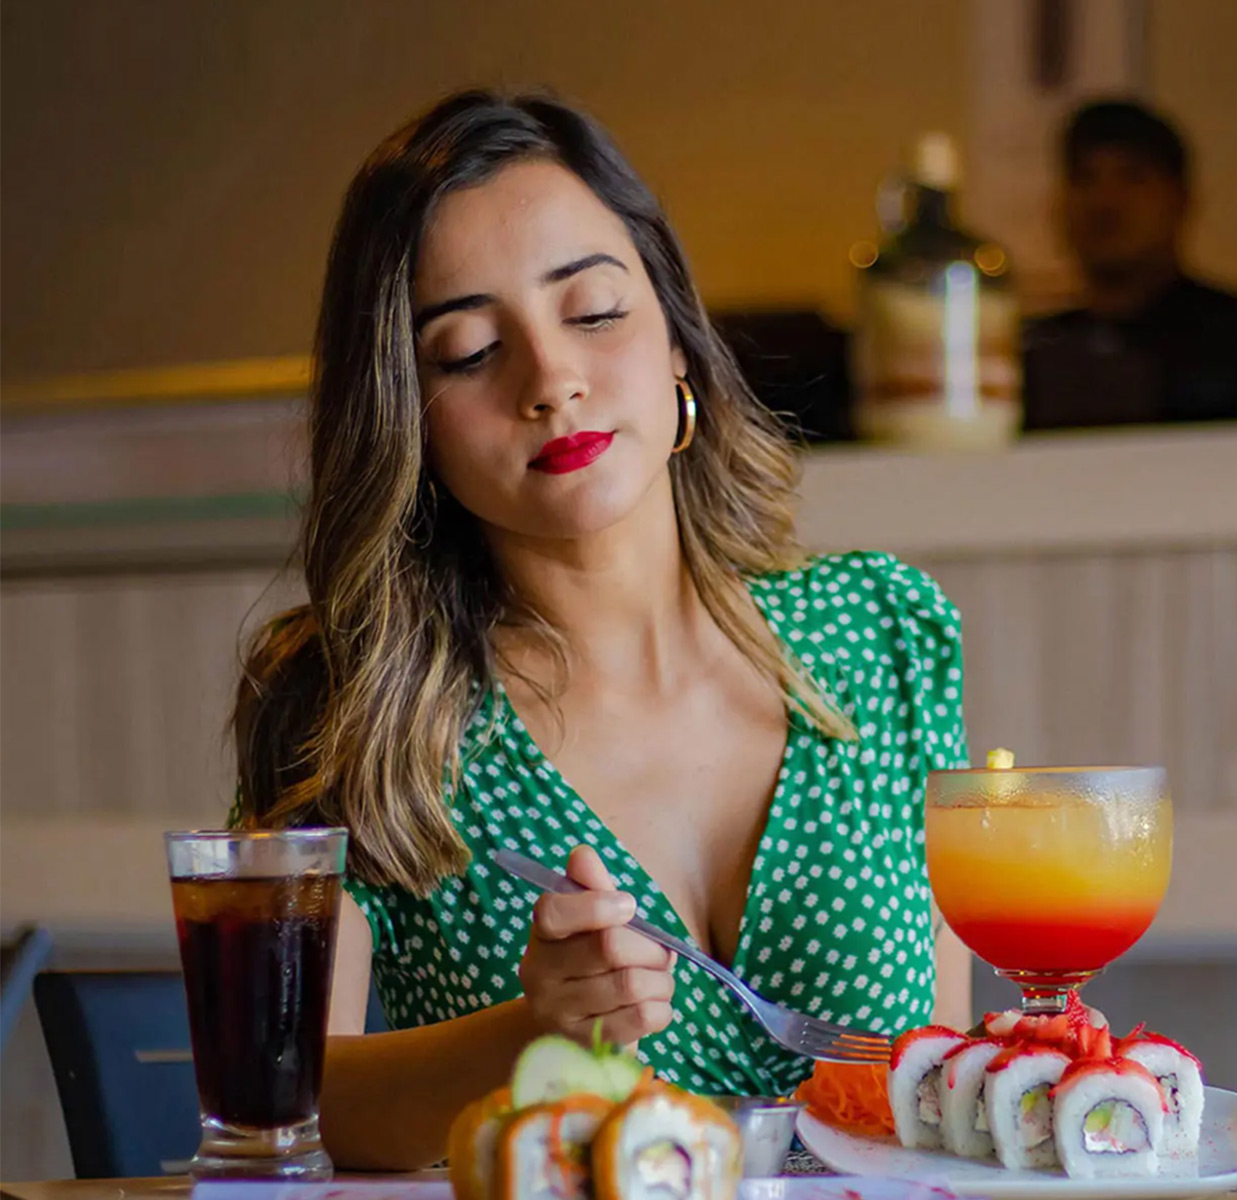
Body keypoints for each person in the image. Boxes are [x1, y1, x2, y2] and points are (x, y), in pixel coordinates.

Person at [232, 90, 970, 1170]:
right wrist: (526, 1035)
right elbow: (277, 1113)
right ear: (408, 417)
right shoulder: (347, 707)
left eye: (592, 311)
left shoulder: (884, 631)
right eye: (472, 351)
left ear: (676, 337)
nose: (552, 380)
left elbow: (934, 1091)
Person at [1023, 99, 1237, 429]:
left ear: (1180, 201)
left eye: (1133, 177)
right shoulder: (1029, 357)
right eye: (1084, 178)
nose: (1105, 201)